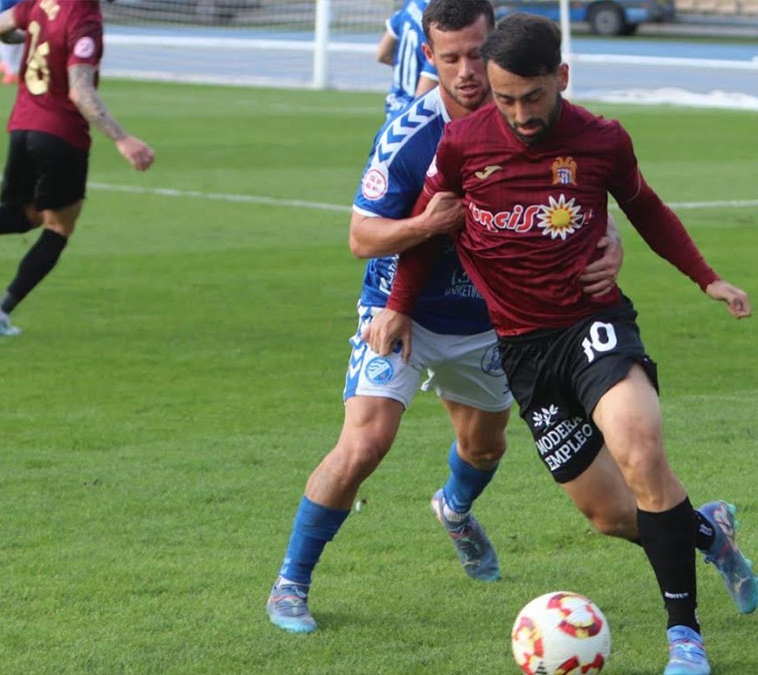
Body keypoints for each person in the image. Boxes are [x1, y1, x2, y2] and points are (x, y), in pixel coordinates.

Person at [382, 13, 758, 675]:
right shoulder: (462, 146)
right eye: (505, 99)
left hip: (594, 325)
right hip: (525, 352)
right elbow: (430, 232)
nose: (521, 113)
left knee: (641, 448)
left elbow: (645, 207)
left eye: (533, 96)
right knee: (614, 514)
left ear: (561, 77)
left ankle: (685, 640)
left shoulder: (601, 139)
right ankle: (710, 532)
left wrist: (707, 277)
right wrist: (396, 307)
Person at [264, 0, 624, 635]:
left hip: (490, 318)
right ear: (428, 56)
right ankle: (291, 582)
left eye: (475, 55)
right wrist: (422, 227)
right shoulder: (410, 132)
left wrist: (611, 238)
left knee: (483, 446)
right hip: (397, 313)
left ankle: (454, 510)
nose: (465, 72)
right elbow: (361, 237)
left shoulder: (533, 120)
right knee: (365, 442)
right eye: (448, 57)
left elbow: (585, 189)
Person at [0, 0, 154, 337]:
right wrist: (122, 139)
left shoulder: (42, 1)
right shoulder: (85, 18)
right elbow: (79, 90)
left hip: (22, 126)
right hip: (60, 133)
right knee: (59, 227)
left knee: (27, 215)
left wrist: (31, 39)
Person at [377, 0, 438, 122]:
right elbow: (422, 102)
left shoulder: (411, 4)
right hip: (414, 119)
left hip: (395, 111)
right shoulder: (439, 16)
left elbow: (383, 54)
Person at [0, 0, 21, 83]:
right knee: (7, 46)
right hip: (4, 17)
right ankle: (8, 70)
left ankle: (8, 68)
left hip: (15, 16)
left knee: (16, 46)